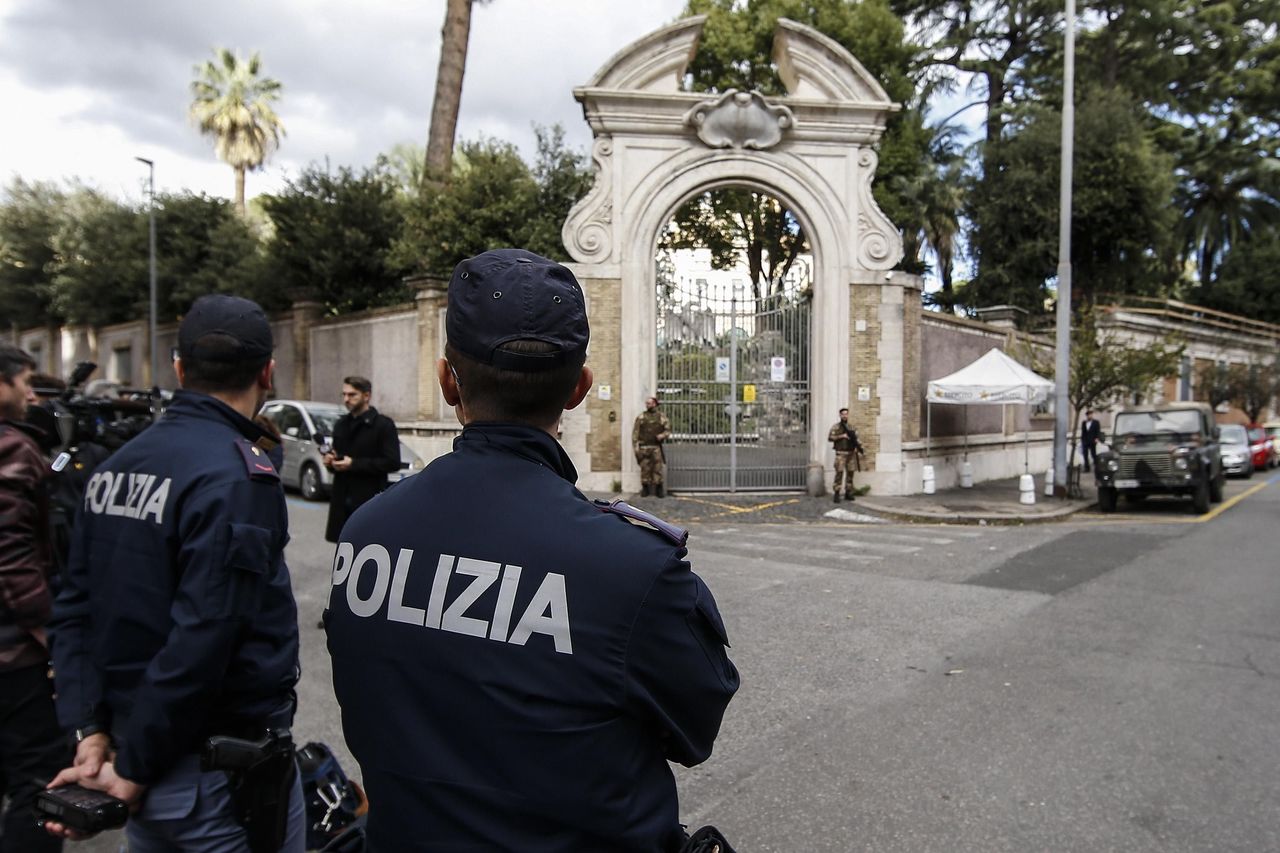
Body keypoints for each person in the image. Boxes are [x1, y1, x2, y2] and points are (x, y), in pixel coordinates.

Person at [325, 248, 739, 852]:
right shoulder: (633, 567)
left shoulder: (367, 532)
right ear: (579, 388)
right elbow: (694, 730)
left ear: (447, 381)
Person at [43, 295, 305, 852]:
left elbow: (73, 611)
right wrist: (132, 766)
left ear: (179, 369)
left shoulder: (113, 468)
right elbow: (205, 637)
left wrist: (89, 732)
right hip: (210, 777)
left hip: (138, 757)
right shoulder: (238, 477)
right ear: (267, 372)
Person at [0, 345, 67, 853]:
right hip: (14, 655)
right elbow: (11, 556)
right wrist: (50, 632)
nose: (31, 393)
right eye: (24, 381)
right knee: (38, 785)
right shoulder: (12, 449)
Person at [322, 376, 400, 543]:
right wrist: (331, 462)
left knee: (367, 544)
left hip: (368, 499)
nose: (346, 399)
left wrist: (354, 464)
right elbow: (338, 459)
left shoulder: (383, 425)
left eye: (352, 395)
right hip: (341, 498)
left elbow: (392, 462)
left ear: (366, 396)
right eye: (344, 394)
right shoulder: (341, 424)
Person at [632, 395, 671, 497]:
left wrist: (662, 435)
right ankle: (645, 488)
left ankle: (659, 488)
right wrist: (635, 446)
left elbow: (667, 430)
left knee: (657, 468)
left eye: (649, 403)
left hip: (656, 447)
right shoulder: (641, 417)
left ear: (654, 404)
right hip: (644, 447)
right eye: (646, 403)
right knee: (645, 468)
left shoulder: (661, 417)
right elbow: (635, 433)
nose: (647, 405)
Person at [827, 407, 864, 502]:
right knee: (839, 473)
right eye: (843, 414)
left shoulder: (852, 427)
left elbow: (857, 439)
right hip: (841, 453)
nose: (844, 416)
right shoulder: (836, 427)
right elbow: (830, 437)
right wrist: (841, 436)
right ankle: (837, 493)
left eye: (846, 414)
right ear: (840, 415)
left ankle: (848, 492)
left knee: (850, 473)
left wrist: (858, 447)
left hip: (851, 454)